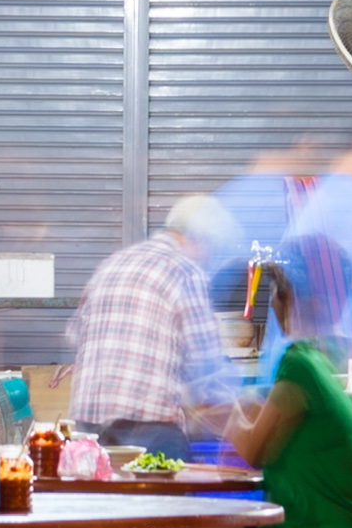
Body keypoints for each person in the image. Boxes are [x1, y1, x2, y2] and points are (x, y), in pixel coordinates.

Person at [174, 246, 352, 528]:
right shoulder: (322, 358)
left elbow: (253, 450)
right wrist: (238, 407)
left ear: (292, 299)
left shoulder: (300, 364)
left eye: (274, 293)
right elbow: (270, 427)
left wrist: (219, 411)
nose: (270, 305)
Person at [69, 197, 243, 467]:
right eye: (213, 251)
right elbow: (205, 363)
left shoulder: (112, 264)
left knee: (103, 504)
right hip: (149, 430)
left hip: (88, 428)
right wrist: (240, 400)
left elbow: (76, 334)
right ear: (201, 239)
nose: (211, 261)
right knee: (166, 506)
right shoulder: (186, 273)